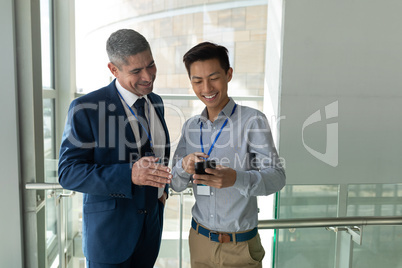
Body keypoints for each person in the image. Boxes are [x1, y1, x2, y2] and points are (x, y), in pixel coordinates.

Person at [58, 29, 172, 268]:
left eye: (150, 65)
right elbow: (68, 172)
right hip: (109, 237)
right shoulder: (86, 107)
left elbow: (158, 153)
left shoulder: (156, 102)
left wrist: (161, 196)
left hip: (150, 228)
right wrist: (129, 174)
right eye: (136, 71)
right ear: (113, 70)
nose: (148, 76)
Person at [171, 42, 286, 268]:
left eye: (214, 77)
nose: (206, 87)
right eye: (197, 81)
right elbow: (174, 185)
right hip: (199, 241)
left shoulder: (253, 121)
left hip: (240, 247)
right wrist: (183, 167)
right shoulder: (191, 127)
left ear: (229, 74)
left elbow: (278, 177)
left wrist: (237, 179)